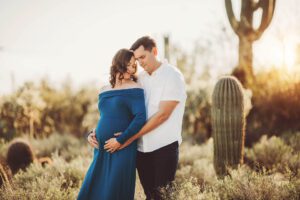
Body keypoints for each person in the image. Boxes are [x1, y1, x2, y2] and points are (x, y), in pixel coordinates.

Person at [88, 36, 187, 199]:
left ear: (154, 52)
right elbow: (120, 111)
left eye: (143, 57)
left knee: (163, 196)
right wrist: (97, 131)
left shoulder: (172, 76)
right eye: (137, 59)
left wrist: (127, 137)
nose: (139, 63)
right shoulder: (139, 79)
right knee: (149, 195)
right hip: (141, 150)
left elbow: (162, 115)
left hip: (164, 147)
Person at [77, 48, 147, 200]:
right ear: (118, 63)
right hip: (101, 149)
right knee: (91, 191)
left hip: (122, 149)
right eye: (128, 64)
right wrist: (92, 134)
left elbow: (141, 117)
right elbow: (104, 117)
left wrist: (121, 140)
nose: (132, 68)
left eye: (134, 65)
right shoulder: (104, 90)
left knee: (112, 193)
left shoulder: (135, 88)